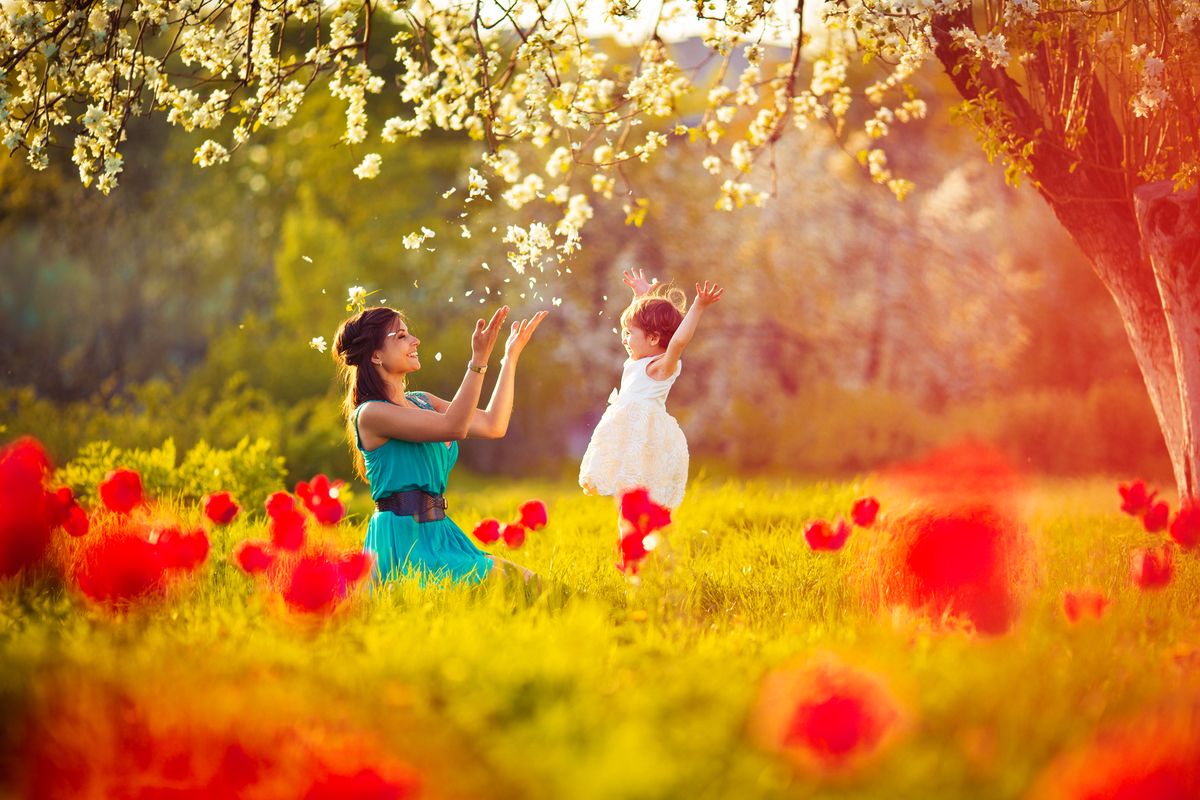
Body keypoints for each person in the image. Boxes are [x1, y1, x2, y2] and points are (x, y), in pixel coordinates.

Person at [333, 304, 548, 585]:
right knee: (512, 585)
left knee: (535, 584)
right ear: (375, 355)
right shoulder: (371, 413)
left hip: (440, 533)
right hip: (405, 542)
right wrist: (478, 360)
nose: (415, 341)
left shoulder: (423, 401)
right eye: (401, 336)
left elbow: (493, 425)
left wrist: (510, 357)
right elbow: (454, 426)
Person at [579, 269, 724, 527]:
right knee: (627, 498)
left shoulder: (660, 367)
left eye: (629, 333)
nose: (624, 338)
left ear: (654, 338)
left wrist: (698, 306)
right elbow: (638, 330)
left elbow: (678, 342)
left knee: (638, 498)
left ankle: (640, 541)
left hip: (645, 436)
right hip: (627, 435)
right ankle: (632, 545)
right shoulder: (637, 359)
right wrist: (641, 296)